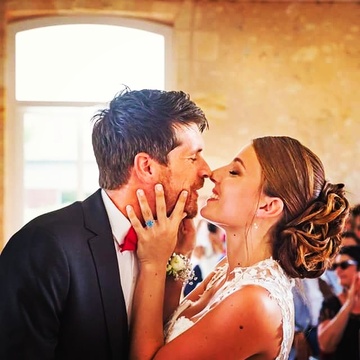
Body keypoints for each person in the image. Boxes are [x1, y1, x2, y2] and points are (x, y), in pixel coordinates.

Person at [0, 88, 211, 359]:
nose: (206, 170)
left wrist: (179, 257)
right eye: (193, 157)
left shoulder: (168, 239)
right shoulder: (45, 246)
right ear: (146, 167)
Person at [126, 136, 349, 359]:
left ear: (268, 206)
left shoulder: (254, 302)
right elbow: (163, 332)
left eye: (234, 172)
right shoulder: (229, 270)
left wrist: (152, 263)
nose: (214, 174)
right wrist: (181, 254)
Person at [317, 245, 360, 359]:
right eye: (335, 266)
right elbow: (325, 346)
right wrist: (349, 303)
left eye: (344, 265)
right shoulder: (331, 303)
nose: (338, 270)